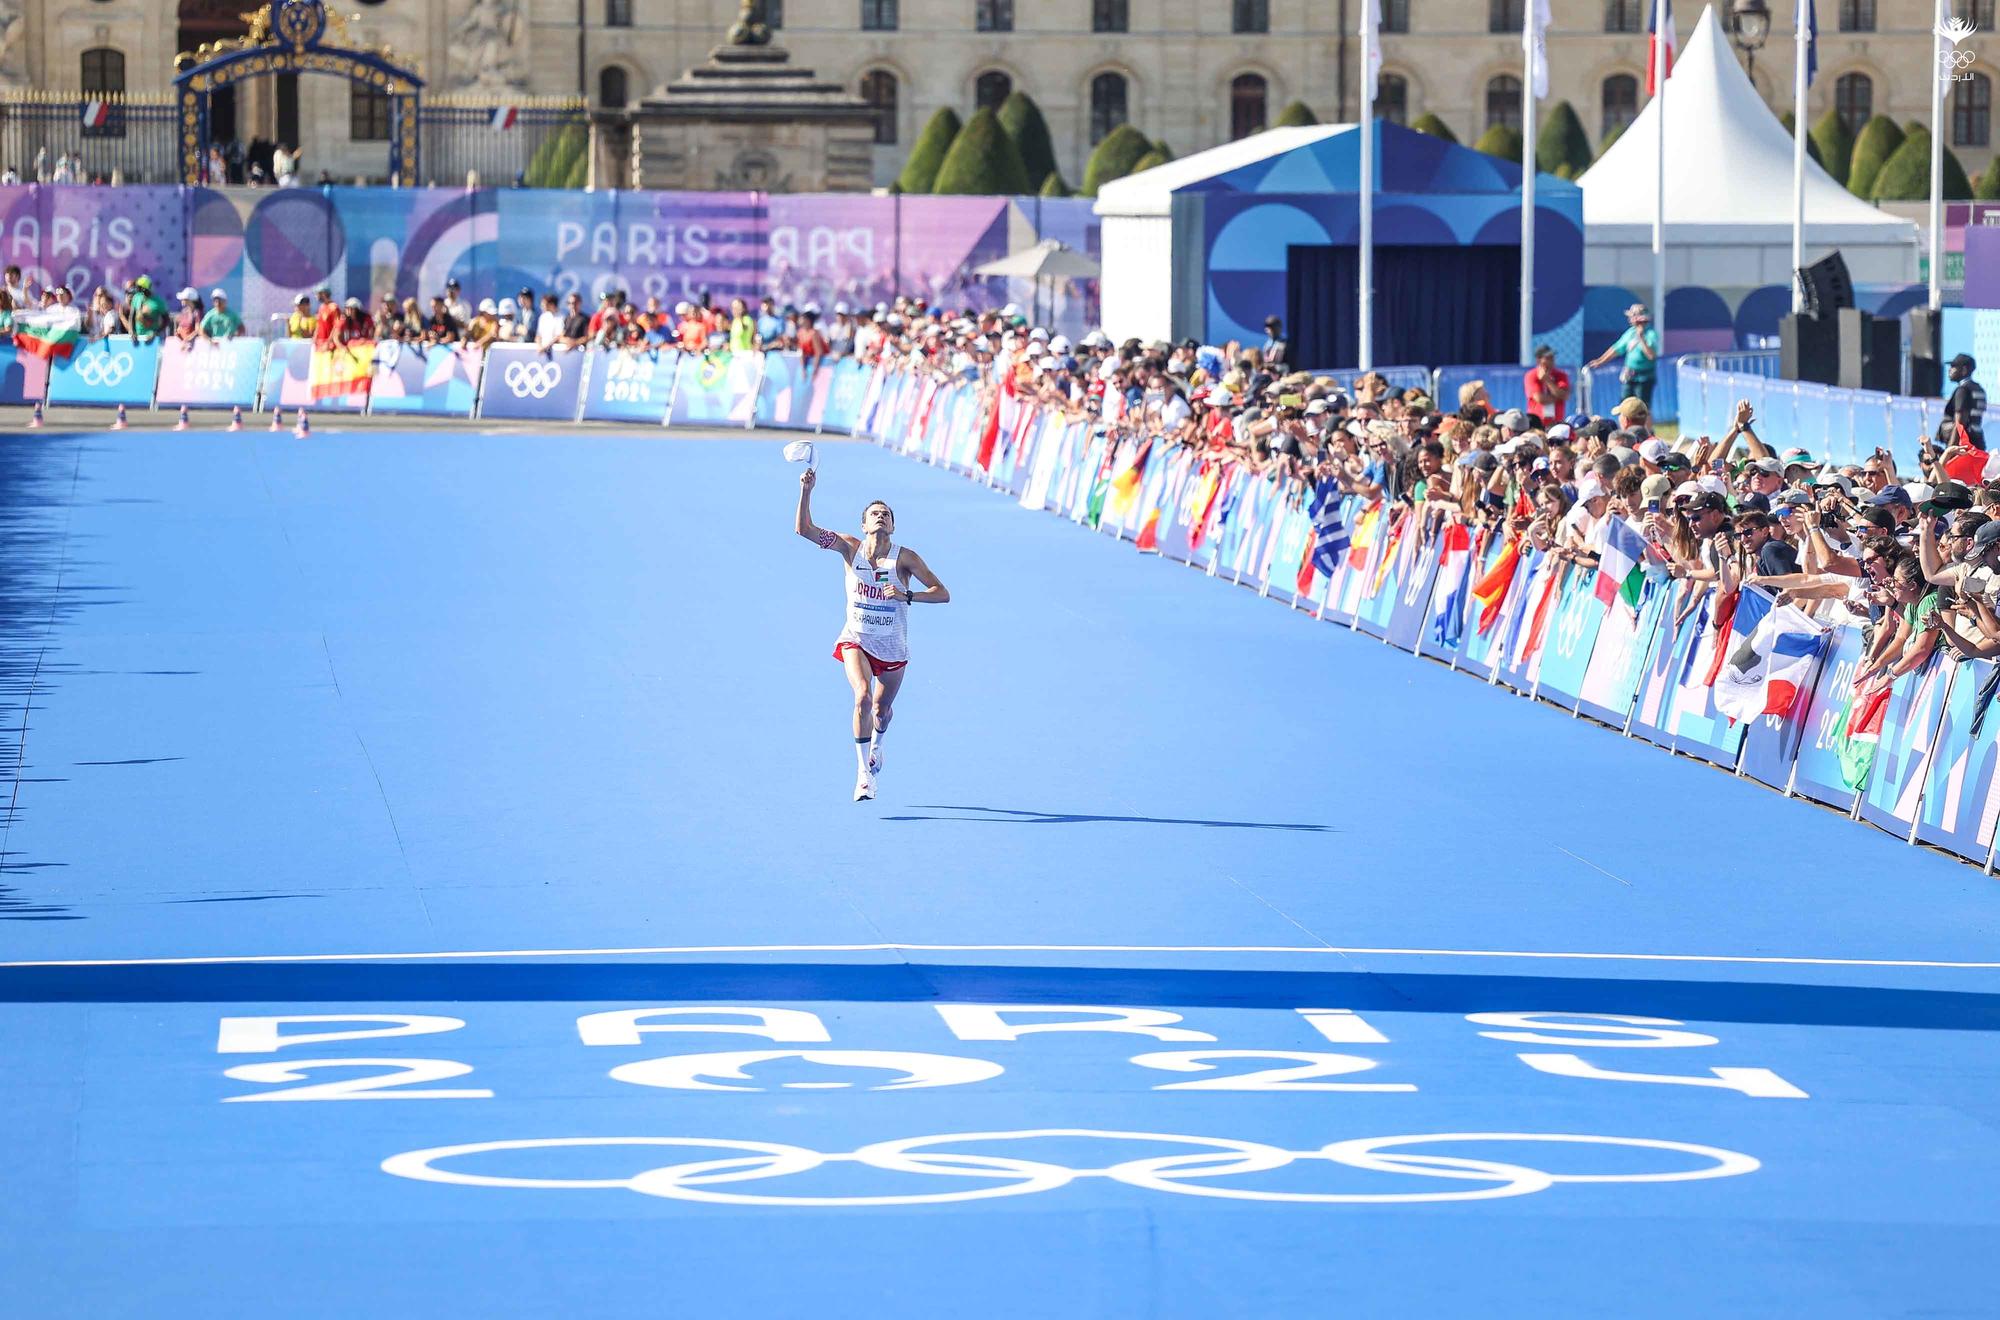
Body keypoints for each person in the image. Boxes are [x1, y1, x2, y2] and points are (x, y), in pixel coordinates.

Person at [793, 467, 950, 801]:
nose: (880, 517)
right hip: (857, 639)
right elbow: (804, 530)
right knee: (862, 695)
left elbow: (942, 592)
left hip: (893, 648)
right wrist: (807, 490)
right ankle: (864, 775)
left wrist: (908, 596)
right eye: (874, 514)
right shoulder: (850, 549)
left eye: (886, 514)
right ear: (863, 525)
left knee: (881, 711)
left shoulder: (905, 559)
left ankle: (878, 745)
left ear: (892, 526)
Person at [1587, 303, 1660, 410]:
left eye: (1632, 316)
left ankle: (1646, 427)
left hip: (1644, 378)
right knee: (1624, 406)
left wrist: (1641, 338)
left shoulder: (1651, 334)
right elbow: (1616, 348)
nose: (1630, 319)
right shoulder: (1630, 333)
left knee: (1643, 408)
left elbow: (1651, 356)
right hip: (1630, 375)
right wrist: (1600, 361)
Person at [1523, 344, 1570, 427]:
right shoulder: (1531, 375)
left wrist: (1547, 380)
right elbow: (1540, 399)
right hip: (1537, 423)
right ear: (1538, 360)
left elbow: (1565, 395)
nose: (1552, 360)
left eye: (1552, 357)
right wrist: (1558, 397)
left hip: (1556, 422)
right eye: (1548, 358)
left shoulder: (1561, 375)